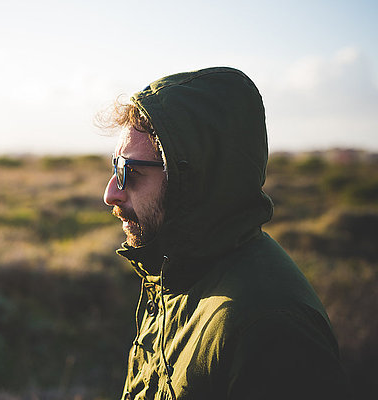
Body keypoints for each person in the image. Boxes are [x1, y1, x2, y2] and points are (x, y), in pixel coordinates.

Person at [102, 67, 348, 400]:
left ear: (189, 177)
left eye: (127, 171)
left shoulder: (269, 328)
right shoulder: (179, 273)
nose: (111, 193)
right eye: (114, 166)